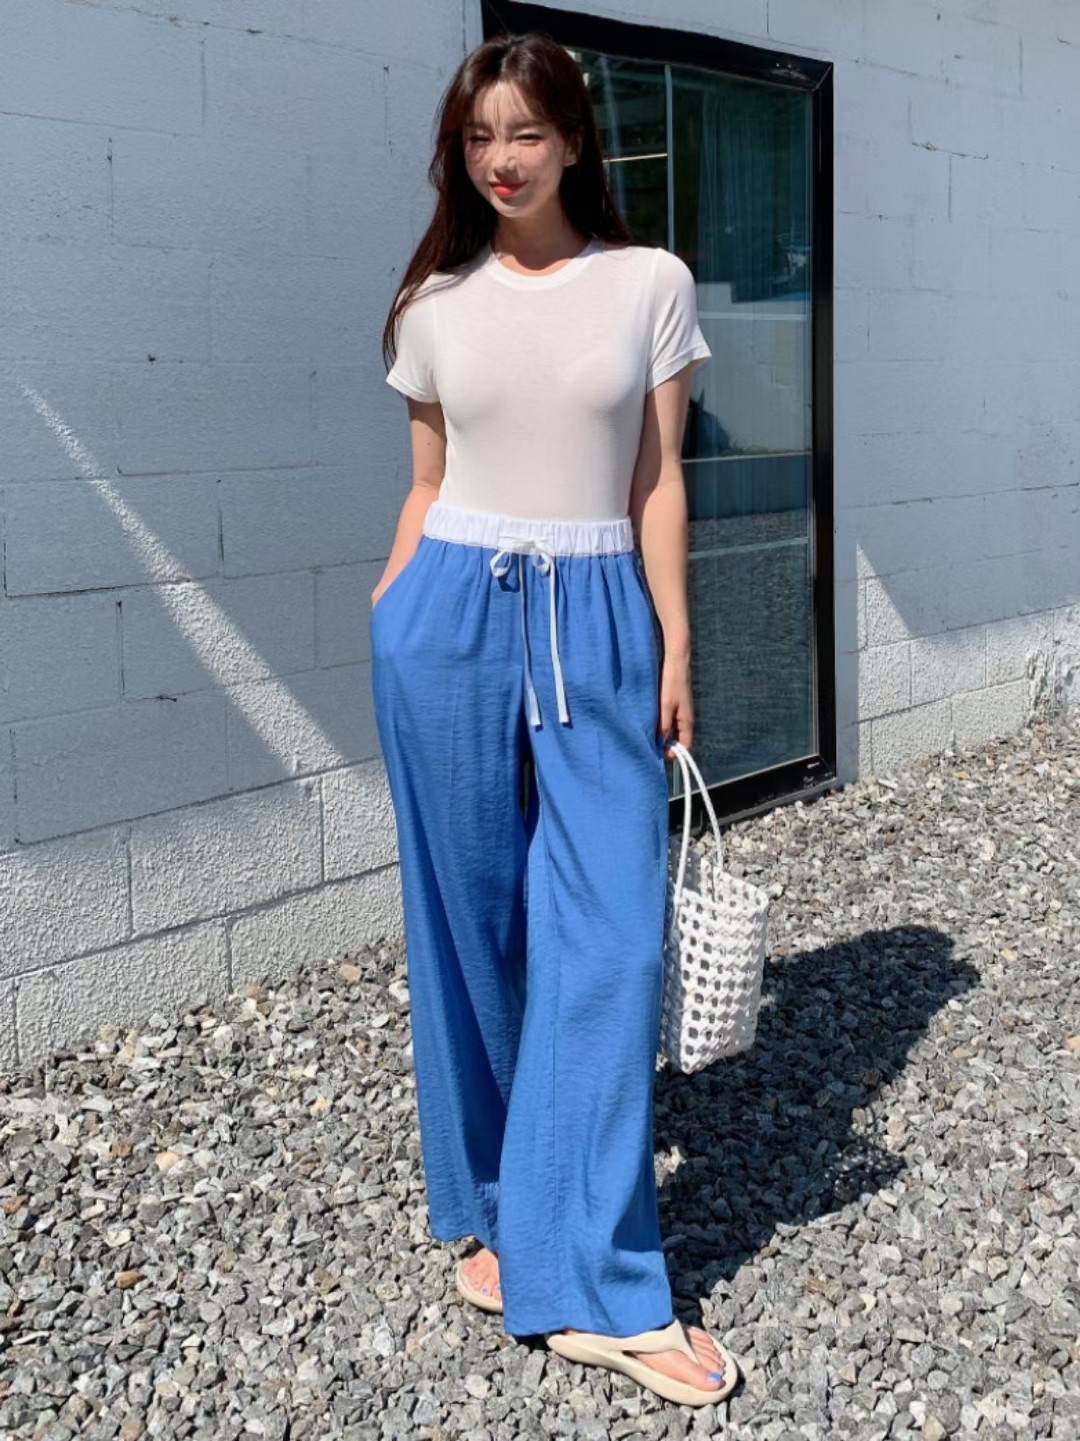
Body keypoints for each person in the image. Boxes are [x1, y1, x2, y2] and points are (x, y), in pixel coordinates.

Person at [372, 30, 738, 1408]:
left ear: (576, 139)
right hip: (448, 616)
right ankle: (488, 1209)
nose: (503, 157)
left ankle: (595, 1279)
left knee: (610, 939)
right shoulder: (434, 301)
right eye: (479, 136)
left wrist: (674, 636)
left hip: (597, 618)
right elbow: (425, 480)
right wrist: (393, 602)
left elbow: (656, 481)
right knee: (468, 921)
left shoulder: (649, 284)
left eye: (527, 131)